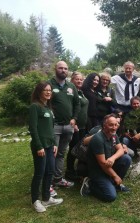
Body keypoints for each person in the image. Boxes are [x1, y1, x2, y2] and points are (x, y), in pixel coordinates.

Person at [80, 114, 132, 202]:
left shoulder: (113, 135)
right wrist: (115, 176)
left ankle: (115, 184)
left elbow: (121, 150)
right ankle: (89, 184)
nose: (114, 127)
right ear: (104, 125)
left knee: (126, 158)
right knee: (110, 196)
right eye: (111, 125)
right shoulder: (98, 139)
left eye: (116, 125)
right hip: (98, 170)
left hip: (108, 165)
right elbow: (103, 164)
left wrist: (113, 158)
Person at [28, 81, 63, 213]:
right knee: (39, 173)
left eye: (50, 90)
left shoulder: (48, 108)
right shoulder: (35, 107)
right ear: (39, 92)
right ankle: (35, 200)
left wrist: (54, 144)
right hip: (40, 146)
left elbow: (51, 129)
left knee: (49, 171)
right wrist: (38, 146)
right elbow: (33, 128)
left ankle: (46, 198)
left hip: (49, 145)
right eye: (45, 90)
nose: (48, 92)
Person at [48, 61, 80, 188]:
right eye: (60, 68)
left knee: (61, 153)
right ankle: (49, 182)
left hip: (68, 126)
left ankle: (58, 179)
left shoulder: (71, 86)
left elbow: (77, 104)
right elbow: (43, 103)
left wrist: (74, 118)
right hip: (54, 126)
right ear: (55, 69)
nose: (63, 70)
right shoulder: (49, 84)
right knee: (52, 153)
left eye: (65, 68)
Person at [65, 72, 89, 181]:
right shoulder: (70, 92)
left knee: (81, 148)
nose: (79, 81)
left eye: (81, 79)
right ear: (72, 80)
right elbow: (69, 108)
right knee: (73, 148)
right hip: (76, 126)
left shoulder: (80, 92)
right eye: (77, 79)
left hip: (83, 126)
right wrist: (73, 123)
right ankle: (69, 171)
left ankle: (78, 169)